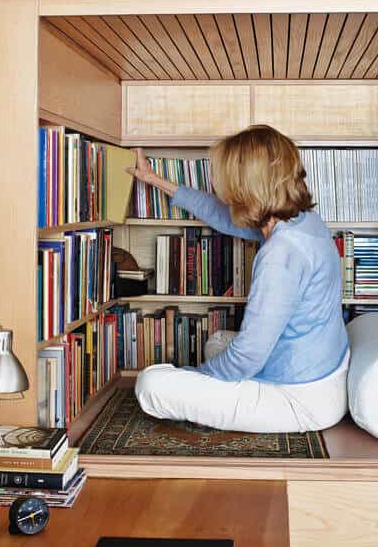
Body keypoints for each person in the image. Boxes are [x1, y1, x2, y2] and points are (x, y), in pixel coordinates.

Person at [127, 125, 350, 433]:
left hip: (299, 399)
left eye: (226, 178)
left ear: (247, 185)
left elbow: (246, 357)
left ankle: (196, 394)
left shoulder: (282, 253)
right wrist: (156, 180)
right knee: (217, 341)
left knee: (150, 384)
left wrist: (196, 377)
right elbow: (219, 214)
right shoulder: (299, 219)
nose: (221, 187)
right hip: (318, 372)